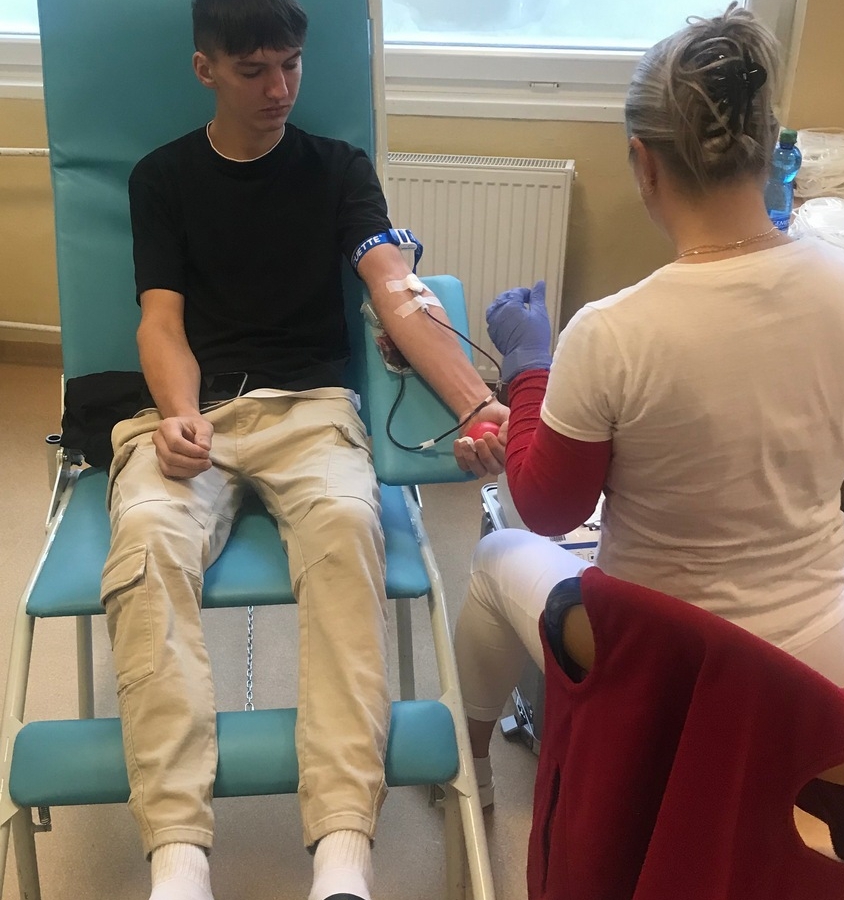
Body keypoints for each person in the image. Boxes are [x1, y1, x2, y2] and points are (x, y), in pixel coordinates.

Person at [99, 3, 506, 900]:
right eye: (254, 70)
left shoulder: (339, 169)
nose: (279, 88)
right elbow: (160, 321)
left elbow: (396, 291)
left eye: (290, 64)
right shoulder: (162, 178)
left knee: (348, 532)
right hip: (199, 411)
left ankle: (343, 851)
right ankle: (177, 856)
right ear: (206, 69)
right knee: (148, 545)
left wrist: (481, 406)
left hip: (313, 412)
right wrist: (177, 415)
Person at [453, 2, 844, 805]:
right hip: (822, 645)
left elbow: (548, 507)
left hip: (669, 663)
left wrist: (528, 373)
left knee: (493, 559)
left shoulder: (613, 332)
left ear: (643, 161)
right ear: (770, 146)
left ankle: (472, 783)